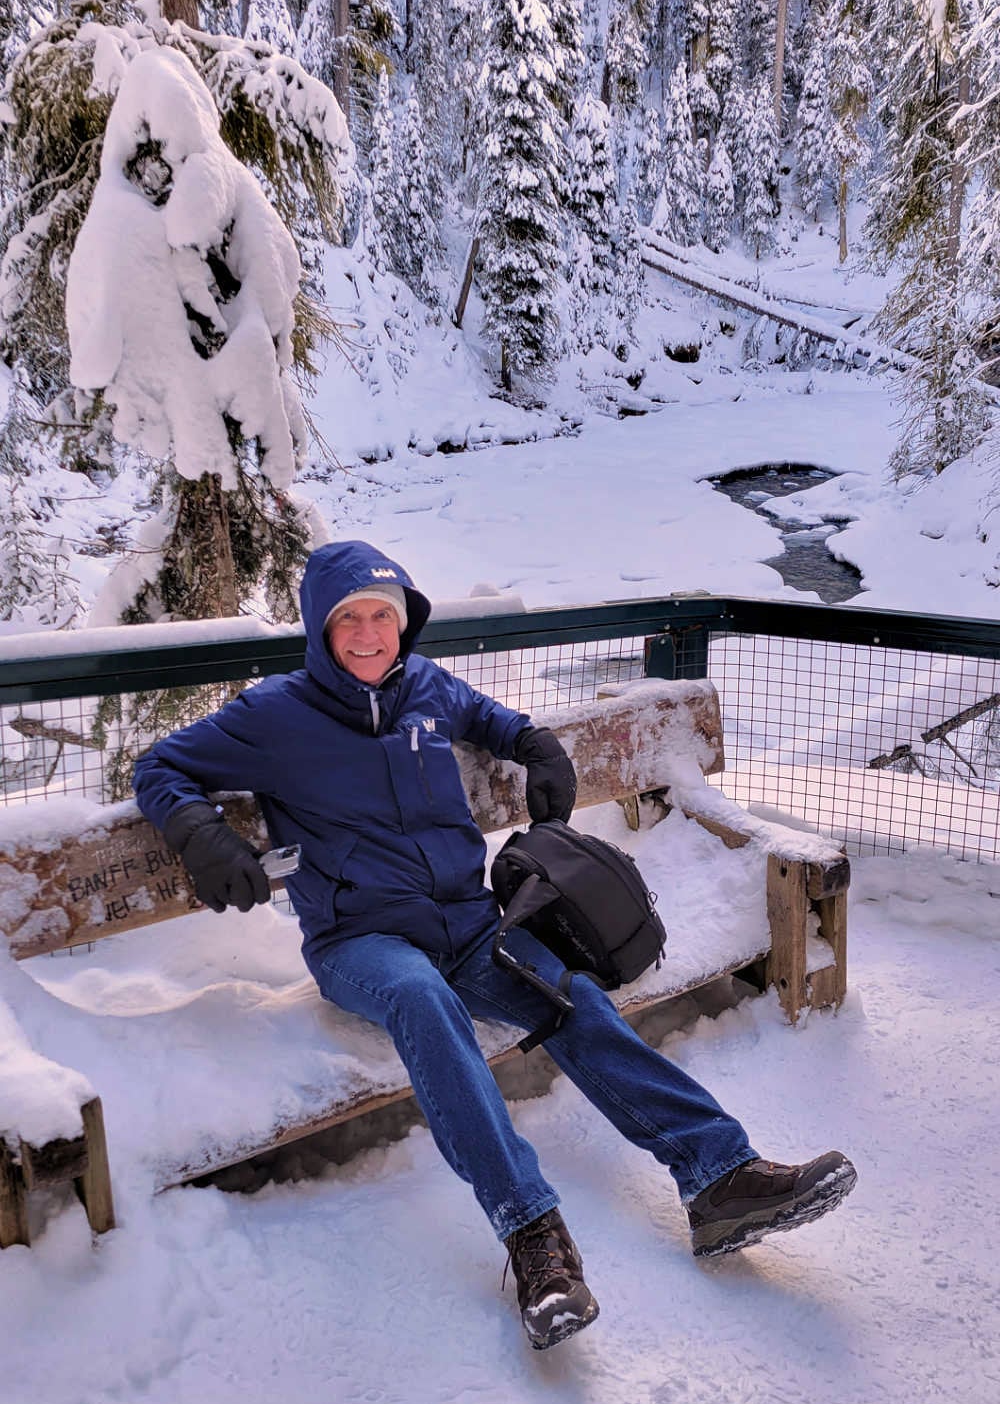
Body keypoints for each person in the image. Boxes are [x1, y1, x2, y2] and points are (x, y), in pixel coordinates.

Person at [134, 540, 857, 1351]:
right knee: (421, 997)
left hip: (469, 923)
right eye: (350, 619)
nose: (370, 634)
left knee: (574, 999)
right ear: (319, 629)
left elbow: (493, 720)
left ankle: (720, 1178)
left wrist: (535, 745)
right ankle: (533, 1238)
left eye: (385, 615)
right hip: (362, 941)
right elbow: (159, 766)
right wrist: (197, 830)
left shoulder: (426, 686)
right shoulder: (275, 715)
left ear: (405, 623)